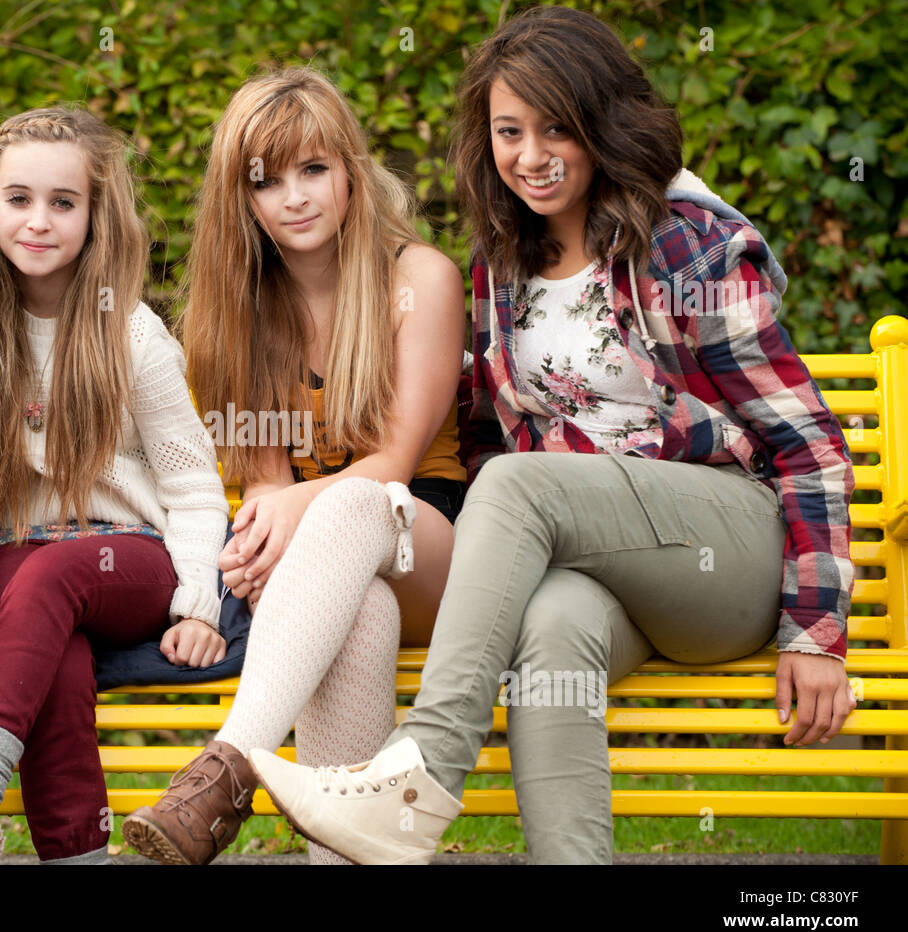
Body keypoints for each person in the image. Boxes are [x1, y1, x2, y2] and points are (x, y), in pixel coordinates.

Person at [249, 5, 858, 865]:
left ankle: (417, 778)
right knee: (551, 633)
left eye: (556, 128)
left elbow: (806, 442)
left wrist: (816, 634)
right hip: (602, 568)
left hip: (724, 550)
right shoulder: (502, 260)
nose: (530, 156)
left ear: (604, 122)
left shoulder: (686, 246)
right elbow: (492, 433)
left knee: (513, 486)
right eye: (508, 131)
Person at [121, 67, 467, 865]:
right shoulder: (235, 311)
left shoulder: (420, 279)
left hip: (431, 538)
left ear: (350, 169)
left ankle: (227, 767)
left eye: (314, 169)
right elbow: (267, 480)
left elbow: (395, 461)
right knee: (361, 617)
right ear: (239, 199)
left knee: (354, 510)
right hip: (338, 572)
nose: (295, 196)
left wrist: (287, 511)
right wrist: (255, 540)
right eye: (266, 180)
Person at [0, 107, 231, 865]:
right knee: (60, 658)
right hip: (18, 563)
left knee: (53, 572)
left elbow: (196, 487)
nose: (38, 221)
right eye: (19, 199)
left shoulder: (131, 334)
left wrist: (198, 599)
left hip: (132, 560)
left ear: (95, 215)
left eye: (62, 202)